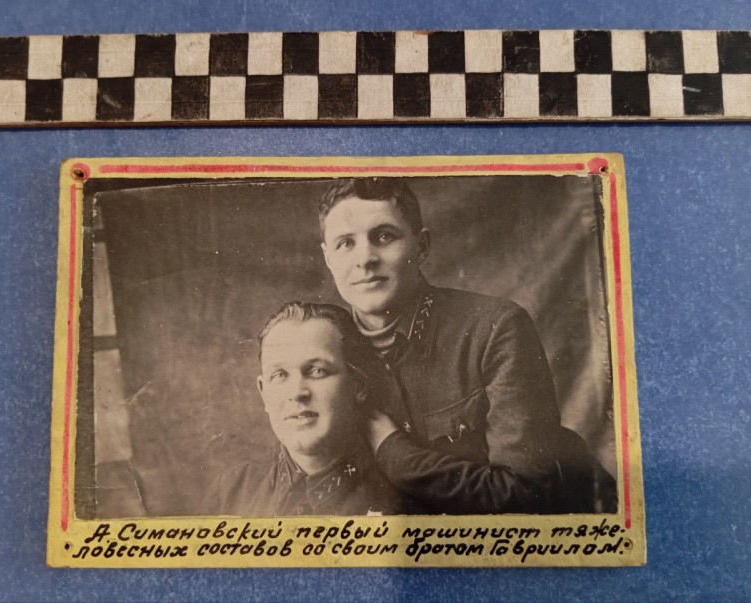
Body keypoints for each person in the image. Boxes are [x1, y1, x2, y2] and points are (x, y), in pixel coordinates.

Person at [318, 177, 616, 515]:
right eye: (345, 243)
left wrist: (395, 453)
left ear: (421, 246)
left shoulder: (495, 328)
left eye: (384, 236)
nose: (365, 259)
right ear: (328, 257)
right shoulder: (328, 352)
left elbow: (524, 494)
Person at [206, 301, 413, 516]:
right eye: (279, 375)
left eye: (317, 371)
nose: (297, 393)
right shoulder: (230, 493)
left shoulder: (402, 502)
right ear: (263, 392)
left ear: (358, 385)